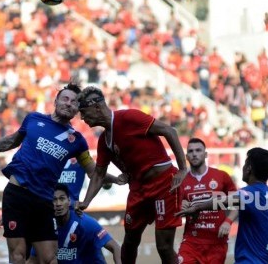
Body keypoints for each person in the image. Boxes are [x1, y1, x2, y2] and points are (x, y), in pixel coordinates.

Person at [0, 81, 96, 264]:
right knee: (18, 256)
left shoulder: (77, 141)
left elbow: (93, 171)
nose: (68, 103)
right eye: (65, 99)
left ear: (76, 110)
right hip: (17, 194)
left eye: (74, 102)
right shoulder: (33, 119)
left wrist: (114, 177)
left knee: (49, 259)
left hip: (43, 201)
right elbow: (11, 141)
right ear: (55, 101)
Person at [75, 86, 188, 264]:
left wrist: (182, 168)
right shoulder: (104, 142)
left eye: (83, 111)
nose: (82, 118)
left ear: (97, 106)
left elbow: (170, 131)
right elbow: (98, 174)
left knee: (164, 247)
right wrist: (86, 202)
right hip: (138, 190)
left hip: (164, 184)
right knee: (129, 242)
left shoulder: (129, 117)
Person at [175, 147, 268, 263]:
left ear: (248, 169)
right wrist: (266, 258)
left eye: (245, 164)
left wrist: (196, 207)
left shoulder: (250, 194)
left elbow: (221, 201)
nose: (243, 167)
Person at [177, 138, 238, 264]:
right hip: (191, 241)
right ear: (187, 156)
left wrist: (228, 222)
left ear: (205, 154)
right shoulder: (181, 182)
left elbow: (237, 202)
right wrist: (180, 205)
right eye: (191, 151)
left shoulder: (221, 176)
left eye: (198, 150)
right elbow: (176, 208)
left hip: (216, 242)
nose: (194, 154)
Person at [28, 184, 121, 264]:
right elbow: (33, 259)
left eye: (62, 199)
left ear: (69, 201)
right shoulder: (44, 227)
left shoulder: (85, 223)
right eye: (54, 200)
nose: (58, 203)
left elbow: (115, 247)